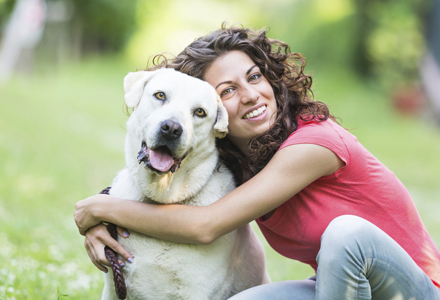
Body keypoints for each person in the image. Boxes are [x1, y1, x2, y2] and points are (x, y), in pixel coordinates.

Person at [74, 25, 440, 299]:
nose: (250, 95)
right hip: (340, 289)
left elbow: (204, 225)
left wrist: (101, 207)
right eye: (228, 90)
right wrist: (100, 221)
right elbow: (167, 190)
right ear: (212, 117)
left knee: (347, 234)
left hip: (416, 290)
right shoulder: (243, 162)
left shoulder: (315, 143)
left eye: (254, 77)